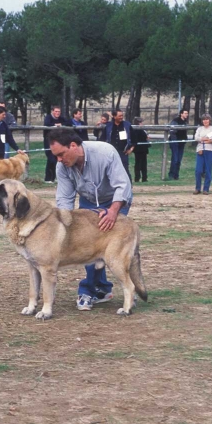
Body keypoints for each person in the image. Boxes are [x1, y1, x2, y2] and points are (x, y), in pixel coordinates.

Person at [48, 129, 133, 312]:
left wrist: (112, 211)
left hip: (115, 199)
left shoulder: (105, 152)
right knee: (88, 245)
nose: (59, 160)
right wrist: (63, 226)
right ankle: (100, 289)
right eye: (56, 156)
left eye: (61, 154)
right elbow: (64, 199)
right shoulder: (62, 167)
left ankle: (92, 289)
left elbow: (122, 186)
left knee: (110, 248)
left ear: (73, 146)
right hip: (88, 201)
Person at [43, 106, 71, 182]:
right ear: (52, 111)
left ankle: (54, 178)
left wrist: (61, 124)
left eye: (59, 111)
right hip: (48, 141)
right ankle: (48, 178)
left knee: (57, 159)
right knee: (51, 159)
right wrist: (55, 125)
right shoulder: (48, 117)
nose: (57, 113)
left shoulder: (61, 118)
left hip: (58, 141)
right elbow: (47, 124)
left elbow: (68, 122)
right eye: (56, 111)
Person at [104, 109, 133, 181]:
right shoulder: (108, 126)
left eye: (122, 116)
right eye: (119, 116)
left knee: (125, 169)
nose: (121, 117)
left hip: (123, 152)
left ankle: (129, 185)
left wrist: (131, 149)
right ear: (114, 116)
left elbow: (134, 138)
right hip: (111, 152)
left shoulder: (127, 125)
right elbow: (102, 138)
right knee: (110, 169)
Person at [193, 113, 212, 195]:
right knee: (198, 170)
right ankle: (197, 188)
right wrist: (205, 139)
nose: (205, 121)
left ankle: (206, 189)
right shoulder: (199, 129)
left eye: (207, 119)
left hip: (210, 151)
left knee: (208, 170)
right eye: (204, 119)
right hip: (200, 150)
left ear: (209, 120)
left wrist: (204, 140)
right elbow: (196, 138)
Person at [168, 109, 189, 180]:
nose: (186, 115)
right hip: (175, 142)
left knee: (179, 159)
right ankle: (171, 174)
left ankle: (176, 175)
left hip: (181, 143)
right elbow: (172, 131)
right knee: (175, 159)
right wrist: (175, 141)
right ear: (181, 114)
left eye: (187, 113)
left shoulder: (185, 122)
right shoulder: (176, 121)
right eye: (185, 113)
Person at [130, 117, 149, 183]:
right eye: (140, 122)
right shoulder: (136, 130)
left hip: (144, 149)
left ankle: (144, 178)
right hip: (138, 149)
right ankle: (137, 178)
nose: (142, 123)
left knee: (144, 164)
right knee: (138, 164)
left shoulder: (143, 129)